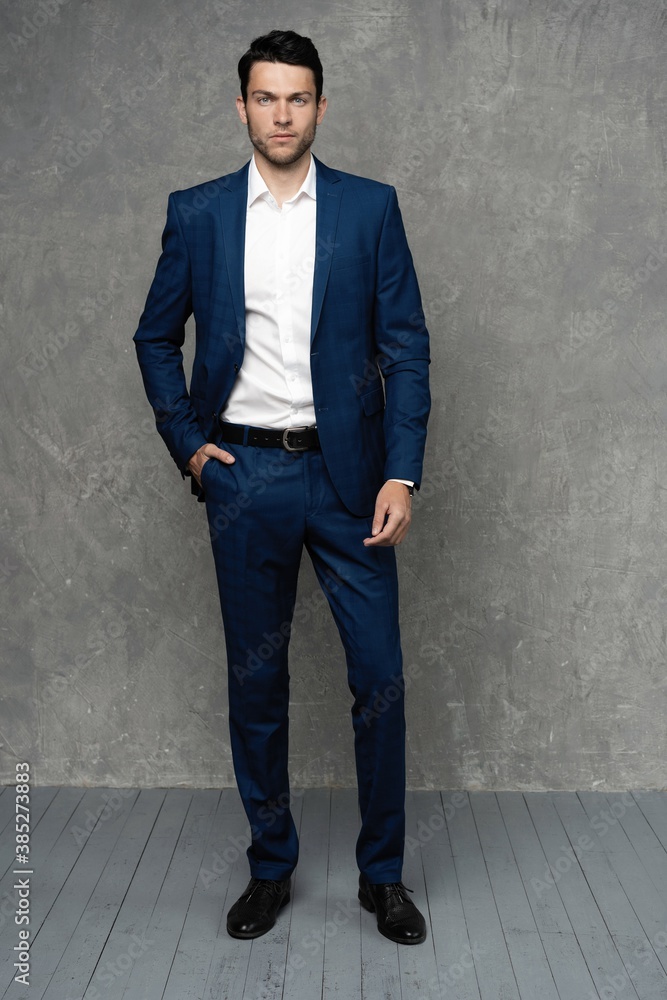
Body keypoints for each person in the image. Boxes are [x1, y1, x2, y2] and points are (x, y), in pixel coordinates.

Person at [133, 29, 430, 945]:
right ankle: (270, 867)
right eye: (265, 98)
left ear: (320, 107)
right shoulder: (199, 213)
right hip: (244, 476)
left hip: (350, 482)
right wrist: (189, 445)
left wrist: (400, 471)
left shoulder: (369, 208)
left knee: (378, 677)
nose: (281, 114)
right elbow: (155, 337)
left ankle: (382, 876)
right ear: (242, 108)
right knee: (256, 684)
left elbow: (405, 347)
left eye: (297, 98)